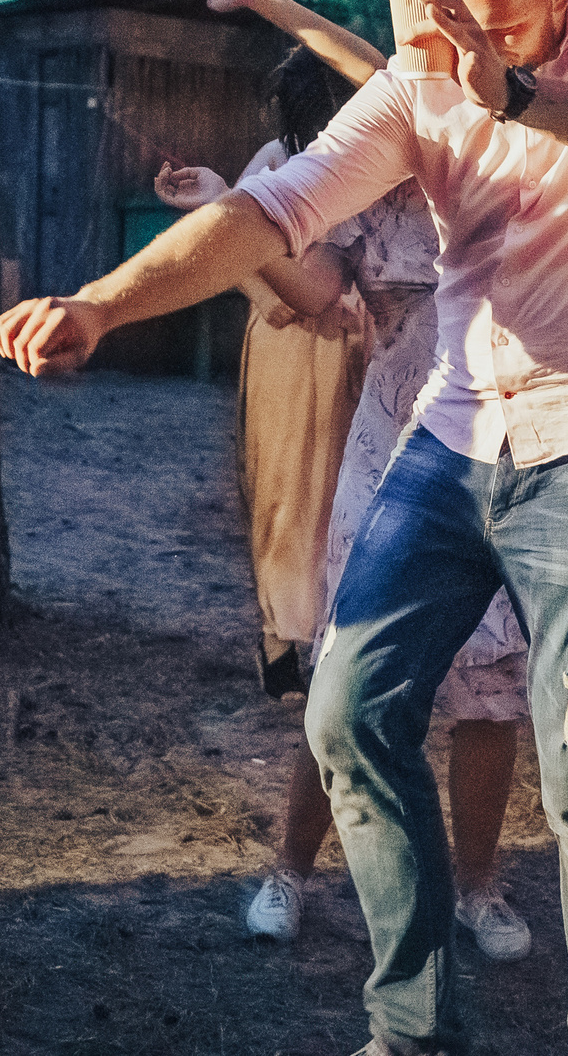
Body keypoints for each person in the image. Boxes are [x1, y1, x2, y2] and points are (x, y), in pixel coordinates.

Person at [0, 0, 568, 1056]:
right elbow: (265, 215)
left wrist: (520, 92)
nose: (477, 39)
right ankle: (413, 1024)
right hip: (451, 435)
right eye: (460, 15)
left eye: (508, 18)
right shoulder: (410, 87)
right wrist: (102, 303)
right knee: (345, 711)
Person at [169, 0, 539, 964]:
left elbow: (374, 62)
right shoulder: (362, 206)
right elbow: (311, 284)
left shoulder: (474, 159)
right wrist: (230, 209)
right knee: (349, 671)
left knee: (488, 679)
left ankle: (478, 890)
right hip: (389, 442)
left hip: (498, 433)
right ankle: (288, 871)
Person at [218, 47, 368, 701]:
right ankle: (277, 638)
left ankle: (329, 632)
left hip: (345, 338)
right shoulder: (275, 161)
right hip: (285, 338)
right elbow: (224, 239)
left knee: (335, 486)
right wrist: (266, 298)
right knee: (282, 484)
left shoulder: (364, 164)